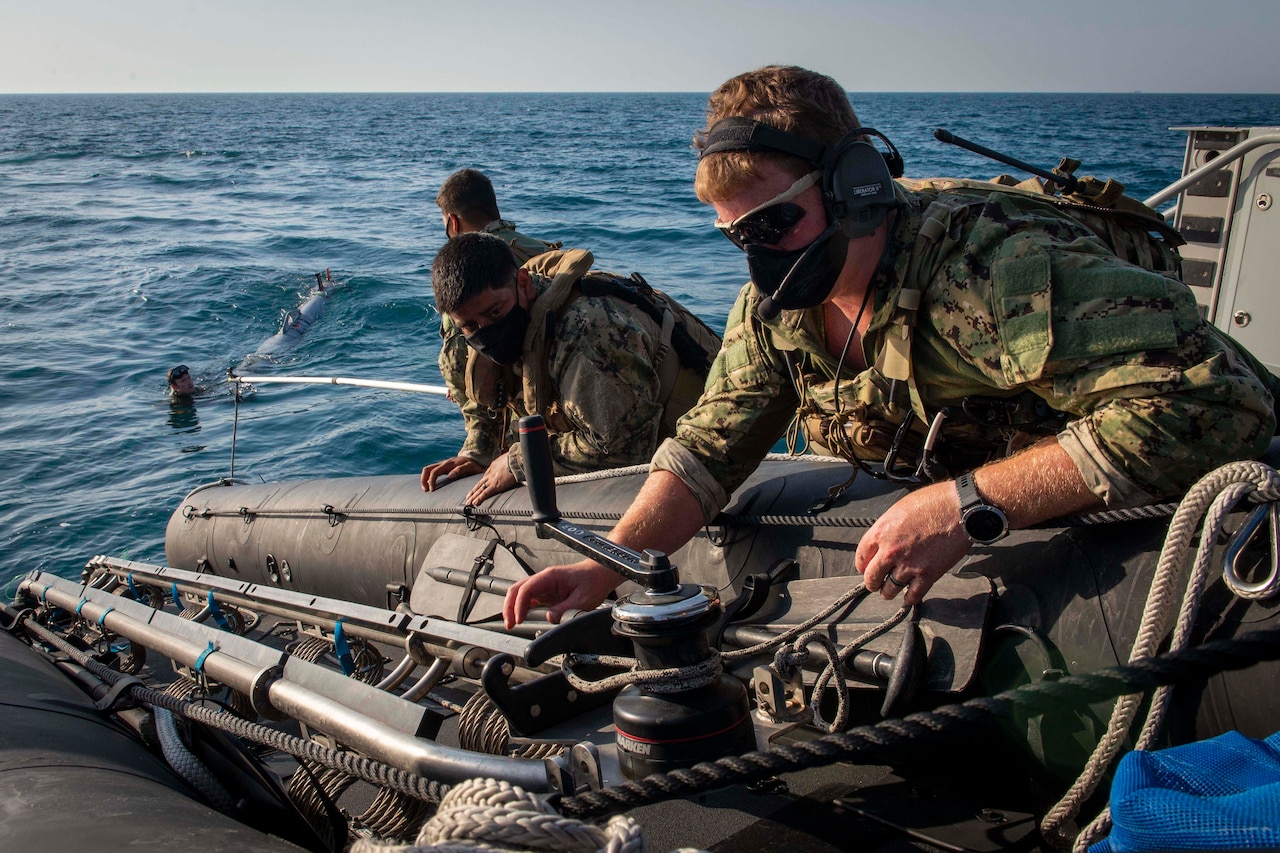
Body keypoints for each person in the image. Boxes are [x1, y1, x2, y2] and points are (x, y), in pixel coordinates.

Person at [503, 65, 1277, 629]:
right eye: (739, 235)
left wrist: (966, 505)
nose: (759, 257)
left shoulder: (990, 270)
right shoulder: (777, 310)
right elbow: (709, 449)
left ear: (854, 187)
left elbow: (1213, 400)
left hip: (1180, 512)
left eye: (773, 224)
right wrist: (606, 565)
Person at [421, 232, 721, 506]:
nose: (485, 330)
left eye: (495, 312)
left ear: (523, 284)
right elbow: (486, 398)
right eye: (470, 325)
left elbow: (624, 451)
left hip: (702, 441)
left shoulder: (588, 331)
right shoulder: (471, 338)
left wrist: (520, 462)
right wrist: (479, 451)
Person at [435, 169, 561, 428]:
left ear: (453, 223)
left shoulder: (466, 275)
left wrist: (478, 447)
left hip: (518, 422)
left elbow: (459, 367)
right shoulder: (545, 253)